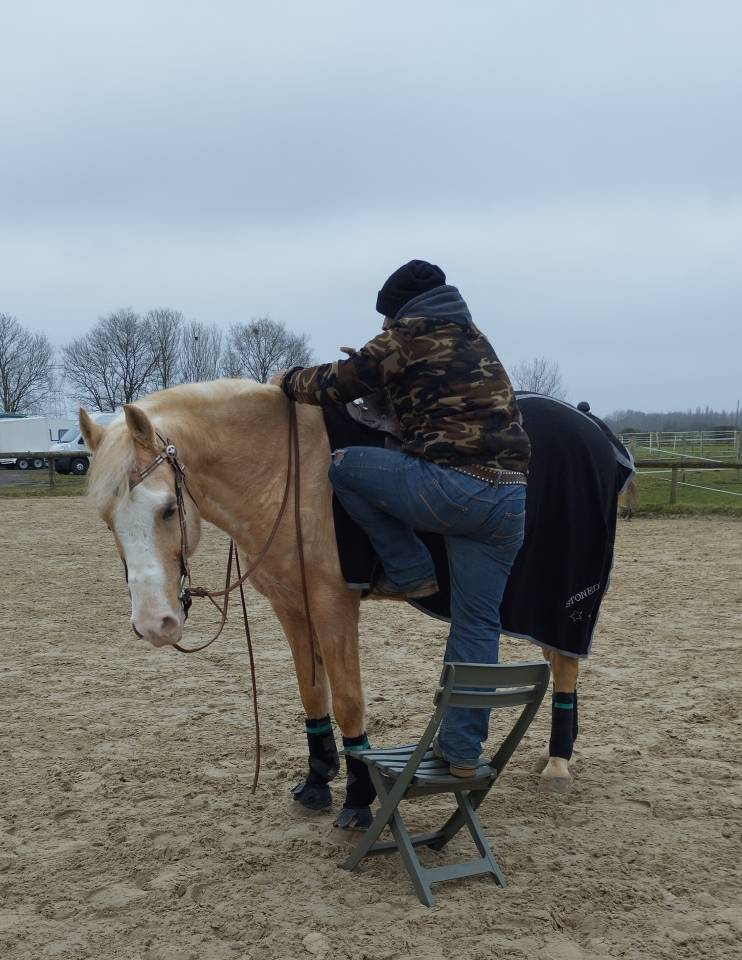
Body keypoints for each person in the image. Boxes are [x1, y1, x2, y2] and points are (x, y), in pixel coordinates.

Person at [272, 259, 531, 776]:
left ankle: (409, 569)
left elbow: (337, 384)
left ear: (396, 311)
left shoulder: (407, 334)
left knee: (343, 468)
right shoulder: (474, 336)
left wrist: (289, 380)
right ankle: (461, 754)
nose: (383, 328)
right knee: (477, 627)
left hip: (452, 487)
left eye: (385, 318)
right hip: (511, 498)